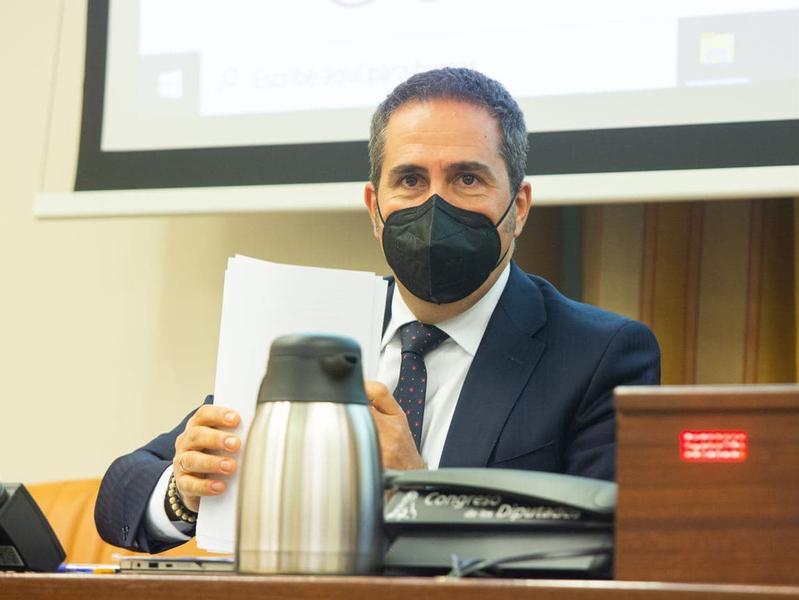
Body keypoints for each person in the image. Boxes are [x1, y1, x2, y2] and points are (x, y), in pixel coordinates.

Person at [95, 68, 660, 553]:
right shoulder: (315, 325)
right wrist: (184, 492)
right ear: (374, 207)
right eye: (410, 180)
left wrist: (418, 493)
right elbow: (123, 489)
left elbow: (605, 547)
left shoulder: (599, 355)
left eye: (467, 178)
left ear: (520, 206)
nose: (435, 205)